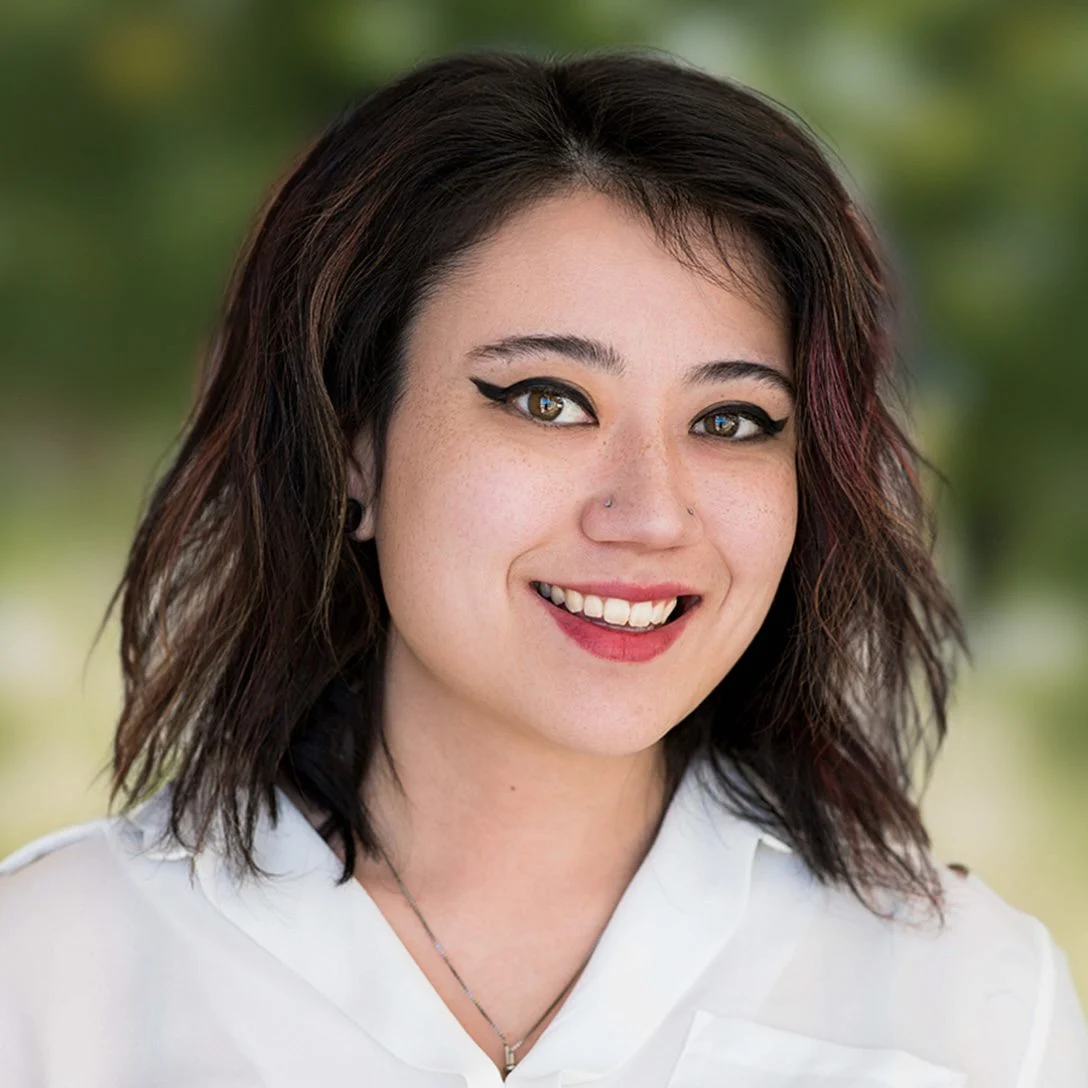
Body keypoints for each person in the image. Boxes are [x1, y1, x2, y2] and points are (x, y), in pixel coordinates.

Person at [0, 50, 1084, 1087]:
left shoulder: (964, 1001)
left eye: (730, 417)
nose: (652, 513)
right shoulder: (53, 975)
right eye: (545, 399)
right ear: (351, 439)